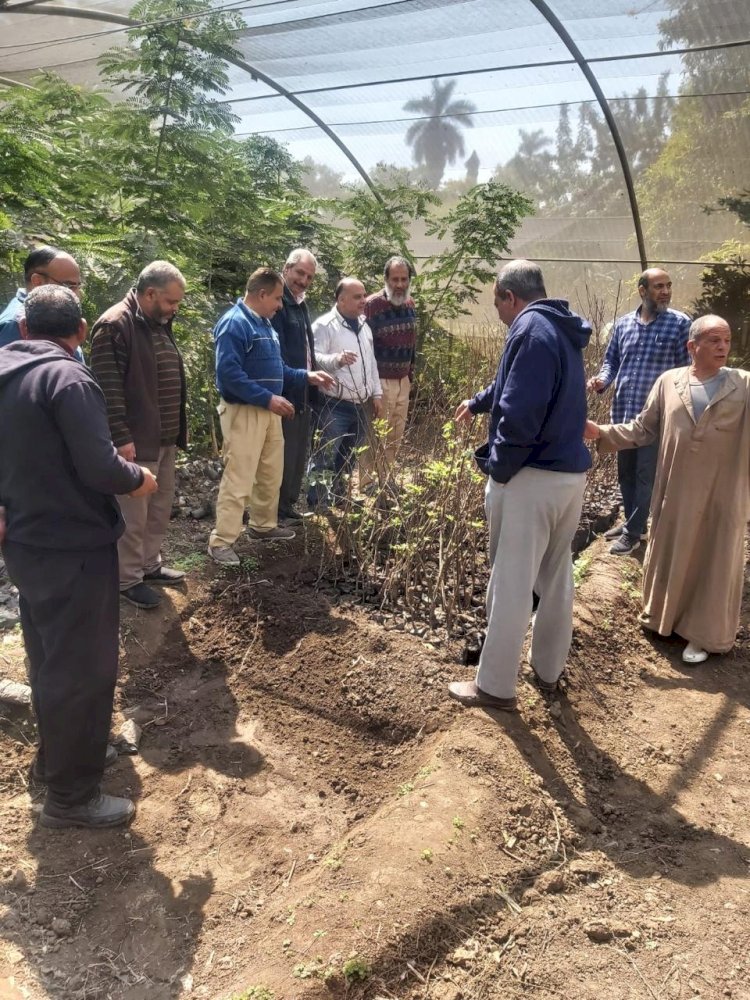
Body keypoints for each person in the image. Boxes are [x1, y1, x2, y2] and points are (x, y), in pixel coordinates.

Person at [0, 286, 157, 828]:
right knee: (85, 669)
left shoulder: (6, 369)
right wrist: (138, 478)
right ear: (82, 331)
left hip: (25, 544)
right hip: (75, 549)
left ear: (24, 329)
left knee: (48, 657)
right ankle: (71, 797)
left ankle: (57, 758)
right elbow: (99, 467)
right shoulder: (68, 378)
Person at [448, 260, 591, 711]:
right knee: (555, 576)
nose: (498, 313)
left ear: (510, 296)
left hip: (532, 476)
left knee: (511, 582)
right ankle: (547, 670)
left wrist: (499, 467)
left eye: (497, 303)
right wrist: (476, 403)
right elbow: (508, 385)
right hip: (567, 476)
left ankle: (494, 687)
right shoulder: (558, 329)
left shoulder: (529, 330)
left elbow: (519, 412)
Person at [585, 315, 745, 665]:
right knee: (675, 550)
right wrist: (601, 432)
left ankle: (704, 635)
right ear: (692, 346)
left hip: (723, 493)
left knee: (712, 560)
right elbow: (643, 429)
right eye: (714, 340)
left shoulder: (743, 385)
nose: (722, 347)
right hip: (677, 488)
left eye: (727, 340)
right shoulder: (669, 382)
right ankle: (665, 618)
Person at [207, 267, 334, 566]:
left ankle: (262, 525)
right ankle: (221, 542)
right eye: (277, 298)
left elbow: (278, 370)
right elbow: (228, 376)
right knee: (238, 478)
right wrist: (268, 398)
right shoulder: (234, 324)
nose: (280, 305)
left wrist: (306, 376)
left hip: (268, 411)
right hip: (245, 412)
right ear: (261, 294)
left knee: (270, 472)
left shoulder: (266, 325)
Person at [90, 261, 188, 610]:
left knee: (158, 509)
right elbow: (106, 387)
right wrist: (120, 436)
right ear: (150, 294)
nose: (175, 309)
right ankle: (128, 579)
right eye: (171, 302)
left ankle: (149, 566)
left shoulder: (156, 321)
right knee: (133, 515)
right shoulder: (115, 325)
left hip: (163, 438)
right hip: (135, 440)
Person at [589, 268, 690, 555]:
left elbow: (685, 372)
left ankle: (633, 532)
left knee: (646, 475)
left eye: (669, 286)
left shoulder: (680, 325)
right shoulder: (622, 325)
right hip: (623, 413)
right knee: (627, 473)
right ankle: (633, 523)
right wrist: (601, 381)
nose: (666, 292)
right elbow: (611, 362)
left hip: (656, 418)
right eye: (659, 286)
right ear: (642, 290)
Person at [307, 278, 382, 511]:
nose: (363, 300)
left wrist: (376, 394)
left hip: (360, 404)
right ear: (341, 299)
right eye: (357, 296)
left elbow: (371, 363)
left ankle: (339, 495)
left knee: (349, 455)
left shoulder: (364, 325)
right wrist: (337, 359)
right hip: (333, 403)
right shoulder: (324, 325)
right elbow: (314, 357)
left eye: (364, 295)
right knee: (325, 455)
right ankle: (317, 500)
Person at [361, 255, 417, 491]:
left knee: (396, 432)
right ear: (386, 279)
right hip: (380, 380)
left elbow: (413, 343)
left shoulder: (410, 304)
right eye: (395, 279)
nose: (400, 284)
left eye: (404, 279)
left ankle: (386, 479)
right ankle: (366, 482)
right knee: (376, 434)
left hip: (403, 379)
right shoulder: (372, 305)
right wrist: (372, 386)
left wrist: (410, 377)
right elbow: (364, 346)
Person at [271, 249, 319, 526]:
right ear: (286, 268)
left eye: (309, 276)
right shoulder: (278, 305)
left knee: (298, 453)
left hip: (303, 392)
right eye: (300, 273)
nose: (304, 280)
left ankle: (287, 506)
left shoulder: (300, 304)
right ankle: (275, 511)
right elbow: (276, 354)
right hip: (285, 391)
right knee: (282, 456)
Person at [0, 246, 85, 362]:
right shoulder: (14, 324)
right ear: (37, 282)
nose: (76, 294)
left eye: (77, 286)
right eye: (68, 286)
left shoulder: (53, 313)